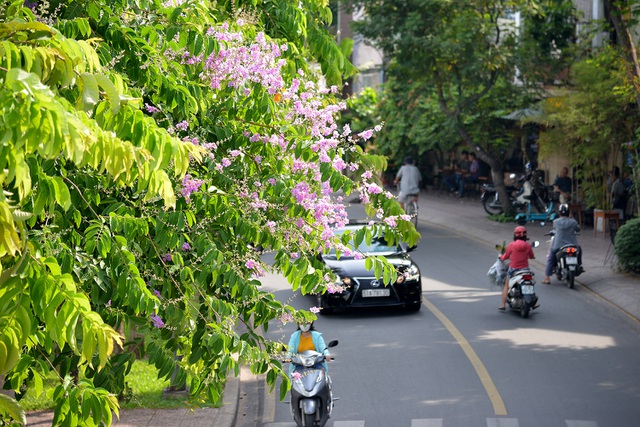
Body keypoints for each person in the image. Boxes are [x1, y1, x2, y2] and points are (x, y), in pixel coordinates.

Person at [498, 225, 536, 311]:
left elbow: (505, 256)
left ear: (515, 235)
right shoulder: (527, 246)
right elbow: (531, 256)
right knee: (531, 282)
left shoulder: (511, 245)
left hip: (514, 270)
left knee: (506, 286)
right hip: (525, 270)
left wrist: (501, 257)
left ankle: (503, 304)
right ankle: (533, 302)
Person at [542, 203, 582, 284]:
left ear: (559, 213)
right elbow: (578, 229)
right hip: (572, 244)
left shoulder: (556, 221)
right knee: (579, 250)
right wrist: (572, 217)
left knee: (551, 258)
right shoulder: (573, 222)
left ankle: (547, 278)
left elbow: (556, 230)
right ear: (568, 213)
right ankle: (579, 263)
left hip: (558, 245)